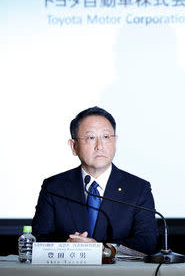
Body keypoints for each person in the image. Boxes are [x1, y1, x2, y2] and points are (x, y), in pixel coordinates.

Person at [32, 106, 158, 255]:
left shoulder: (138, 188)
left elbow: (147, 243)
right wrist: (68, 246)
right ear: (74, 146)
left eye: (106, 137)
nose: (100, 146)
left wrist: (100, 249)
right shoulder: (54, 187)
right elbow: (37, 239)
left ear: (115, 141)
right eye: (91, 138)